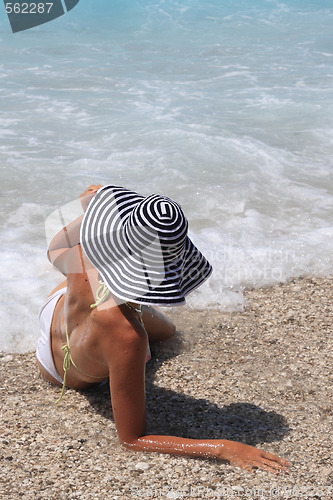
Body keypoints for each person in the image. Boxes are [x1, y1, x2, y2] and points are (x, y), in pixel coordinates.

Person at [36, 184, 291, 474]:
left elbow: (54, 248)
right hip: (61, 371)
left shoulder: (89, 247)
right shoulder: (128, 336)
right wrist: (224, 447)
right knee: (149, 338)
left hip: (56, 310)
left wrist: (87, 208)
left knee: (166, 331)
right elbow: (132, 440)